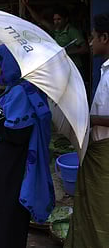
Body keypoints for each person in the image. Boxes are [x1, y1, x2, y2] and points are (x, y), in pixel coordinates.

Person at [0, 44, 54, 248]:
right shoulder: (13, 90)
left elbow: (15, 133)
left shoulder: (22, 92)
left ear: (9, 63)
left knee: (3, 221)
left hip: (10, 168)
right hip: (4, 165)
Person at [65, 13, 109, 247]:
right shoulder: (105, 70)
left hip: (105, 154)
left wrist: (87, 119)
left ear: (105, 37)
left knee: (103, 210)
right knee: (96, 211)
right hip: (99, 151)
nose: (90, 43)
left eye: (93, 37)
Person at [22, 0, 88, 71]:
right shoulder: (55, 29)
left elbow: (85, 49)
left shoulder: (72, 31)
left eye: (59, 19)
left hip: (75, 67)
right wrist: (27, 6)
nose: (56, 22)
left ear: (66, 19)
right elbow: (40, 20)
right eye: (54, 19)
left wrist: (67, 52)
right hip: (62, 67)